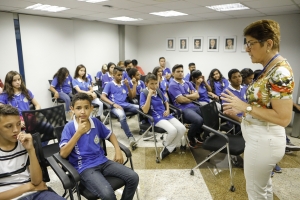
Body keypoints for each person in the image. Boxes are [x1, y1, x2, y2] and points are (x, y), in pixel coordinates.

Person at [221, 19, 294, 199]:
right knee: (264, 188)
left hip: (264, 142)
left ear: (268, 44)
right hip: (261, 138)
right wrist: (241, 115)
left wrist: (245, 107)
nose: (247, 49)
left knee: (255, 192)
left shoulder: (280, 72)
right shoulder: (269, 69)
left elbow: (284, 118)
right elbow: (262, 109)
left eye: (250, 43)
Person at [59, 93, 139, 200]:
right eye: (78, 108)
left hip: (103, 162)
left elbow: (111, 135)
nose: (83, 111)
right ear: (72, 109)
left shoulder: (95, 122)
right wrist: (78, 133)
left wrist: (118, 150)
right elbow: (63, 154)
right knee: (108, 194)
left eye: (86, 108)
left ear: (92, 108)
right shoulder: (69, 128)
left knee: (133, 177)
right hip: (84, 168)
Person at [0, 104, 65, 200]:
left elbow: (37, 181)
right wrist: (29, 187)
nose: (16, 130)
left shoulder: (24, 142)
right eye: (9, 126)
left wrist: (30, 150)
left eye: (18, 124)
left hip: (36, 193)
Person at [140, 74, 186, 159]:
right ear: (146, 84)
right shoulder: (144, 93)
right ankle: (168, 146)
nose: (154, 86)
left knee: (182, 128)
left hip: (165, 114)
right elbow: (145, 110)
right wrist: (149, 95)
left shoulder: (158, 90)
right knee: (173, 130)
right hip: (155, 117)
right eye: (151, 84)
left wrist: (168, 110)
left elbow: (166, 101)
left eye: (155, 83)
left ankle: (168, 147)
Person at [101, 67, 139, 148]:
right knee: (122, 116)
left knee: (140, 108)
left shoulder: (124, 84)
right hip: (115, 106)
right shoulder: (110, 84)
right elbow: (102, 97)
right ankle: (130, 137)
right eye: (118, 75)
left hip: (125, 104)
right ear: (114, 75)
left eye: (121, 75)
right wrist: (113, 104)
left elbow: (132, 96)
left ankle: (143, 127)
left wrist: (128, 86)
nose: (120, 77)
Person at [168, 64, 204, 148]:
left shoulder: (187, 83)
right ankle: (190, 137)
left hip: (193, 106)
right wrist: (192, 97)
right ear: (173, 73)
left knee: (208, 117)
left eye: (181, 71)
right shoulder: (172, 85)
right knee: (198, 120)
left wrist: (186, 96)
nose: (180, 73)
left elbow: (197, 95)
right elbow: (181, 100)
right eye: (178, 71)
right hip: (182, 109)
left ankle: (197, 134)